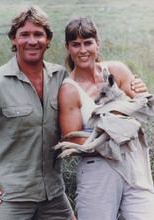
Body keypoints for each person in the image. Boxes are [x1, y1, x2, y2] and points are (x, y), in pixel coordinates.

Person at [0, 5, 76, 220]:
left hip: (53, 195)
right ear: (14, 39)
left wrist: (129, 82)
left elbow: (94, 82)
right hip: (6, 198)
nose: (32, 41)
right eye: (24, 34)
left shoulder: (61, 77)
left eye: (38, 34)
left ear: (48, 39)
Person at [58, 17, 154, 220]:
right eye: (76, 44)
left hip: (133, 162)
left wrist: (141, 93)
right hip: (98, 168)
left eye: (87, 43)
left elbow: (141, 105)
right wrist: (117, 135)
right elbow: (72, 139)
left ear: (97, 43)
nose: (83, 50)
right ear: (68, 47)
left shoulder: (116, 70)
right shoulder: (69, 90)